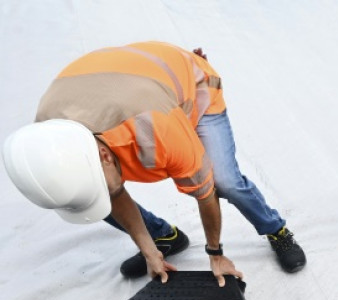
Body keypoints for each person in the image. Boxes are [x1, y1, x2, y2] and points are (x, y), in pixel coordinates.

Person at [2, 42, 306, 286]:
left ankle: (275, 229)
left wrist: (215, 253)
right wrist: (148, 250)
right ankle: (164, 238)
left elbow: (206, 194)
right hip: (134, 89)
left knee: (225, 181)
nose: (105, 193)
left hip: (194, 89)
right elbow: (111, 194)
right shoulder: (48, 139)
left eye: (102, 183)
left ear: (105, 156)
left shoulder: (156, 130)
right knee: (93, 197)